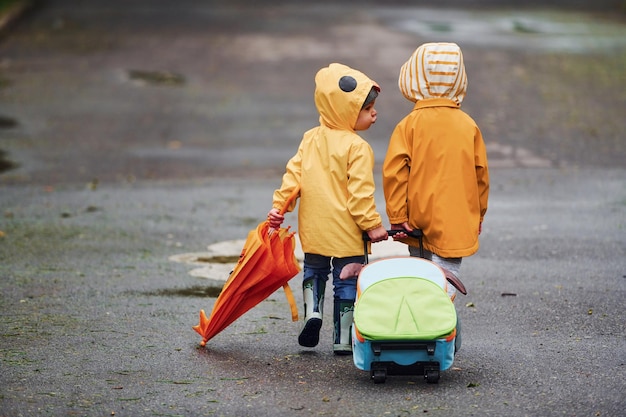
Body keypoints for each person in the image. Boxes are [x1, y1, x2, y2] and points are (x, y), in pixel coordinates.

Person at [267, 63, 388, 355]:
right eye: (367, 108)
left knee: (314, 271)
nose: (374, 113)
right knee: (347, 280)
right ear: (346, 111)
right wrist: (372, 225)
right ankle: (343, 339)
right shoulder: (357, 147)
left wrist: (279, 207)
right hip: (347, 232)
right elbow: (360, 194)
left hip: (315, 228)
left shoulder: (310, 138)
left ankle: (313, 313)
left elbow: (293, 176)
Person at [382, 42, 490, 306]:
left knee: (420, 273)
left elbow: (395, 173)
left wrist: (397, 216)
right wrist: (479, 213)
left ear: (414, 78)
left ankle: (420, 321)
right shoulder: (468, 126)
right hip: (456, 219)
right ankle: (441, 314)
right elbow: (481, 176)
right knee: (447, 275)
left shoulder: (409, 125)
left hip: (416, 219)